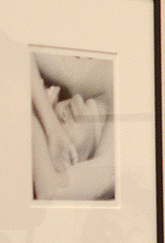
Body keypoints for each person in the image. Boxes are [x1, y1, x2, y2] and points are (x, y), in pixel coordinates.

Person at [30, 51, 116, 201]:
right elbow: (50, 191)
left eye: (52, 109)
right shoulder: (115, 163)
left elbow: (51, 191)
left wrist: (41, 113)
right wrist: (40, 111)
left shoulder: (114, 164)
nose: (59, 115)